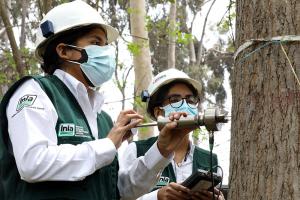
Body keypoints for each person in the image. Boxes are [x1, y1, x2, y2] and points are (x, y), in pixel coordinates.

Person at [0, 1, 191, 200]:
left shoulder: (103, 120)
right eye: (96, 43)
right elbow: (32, 163)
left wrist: (161, 150)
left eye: (106, 45)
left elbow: (118, 190)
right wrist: (109, 144)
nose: (106, 52)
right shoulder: (35, 91)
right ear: (64, 51)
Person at [119, 68, 226, 200]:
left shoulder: (210, 160)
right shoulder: (136, 150)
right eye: (175, 100)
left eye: (190, 100)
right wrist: (156, 197)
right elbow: (120, 195)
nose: (185, 106)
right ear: (158, 112)